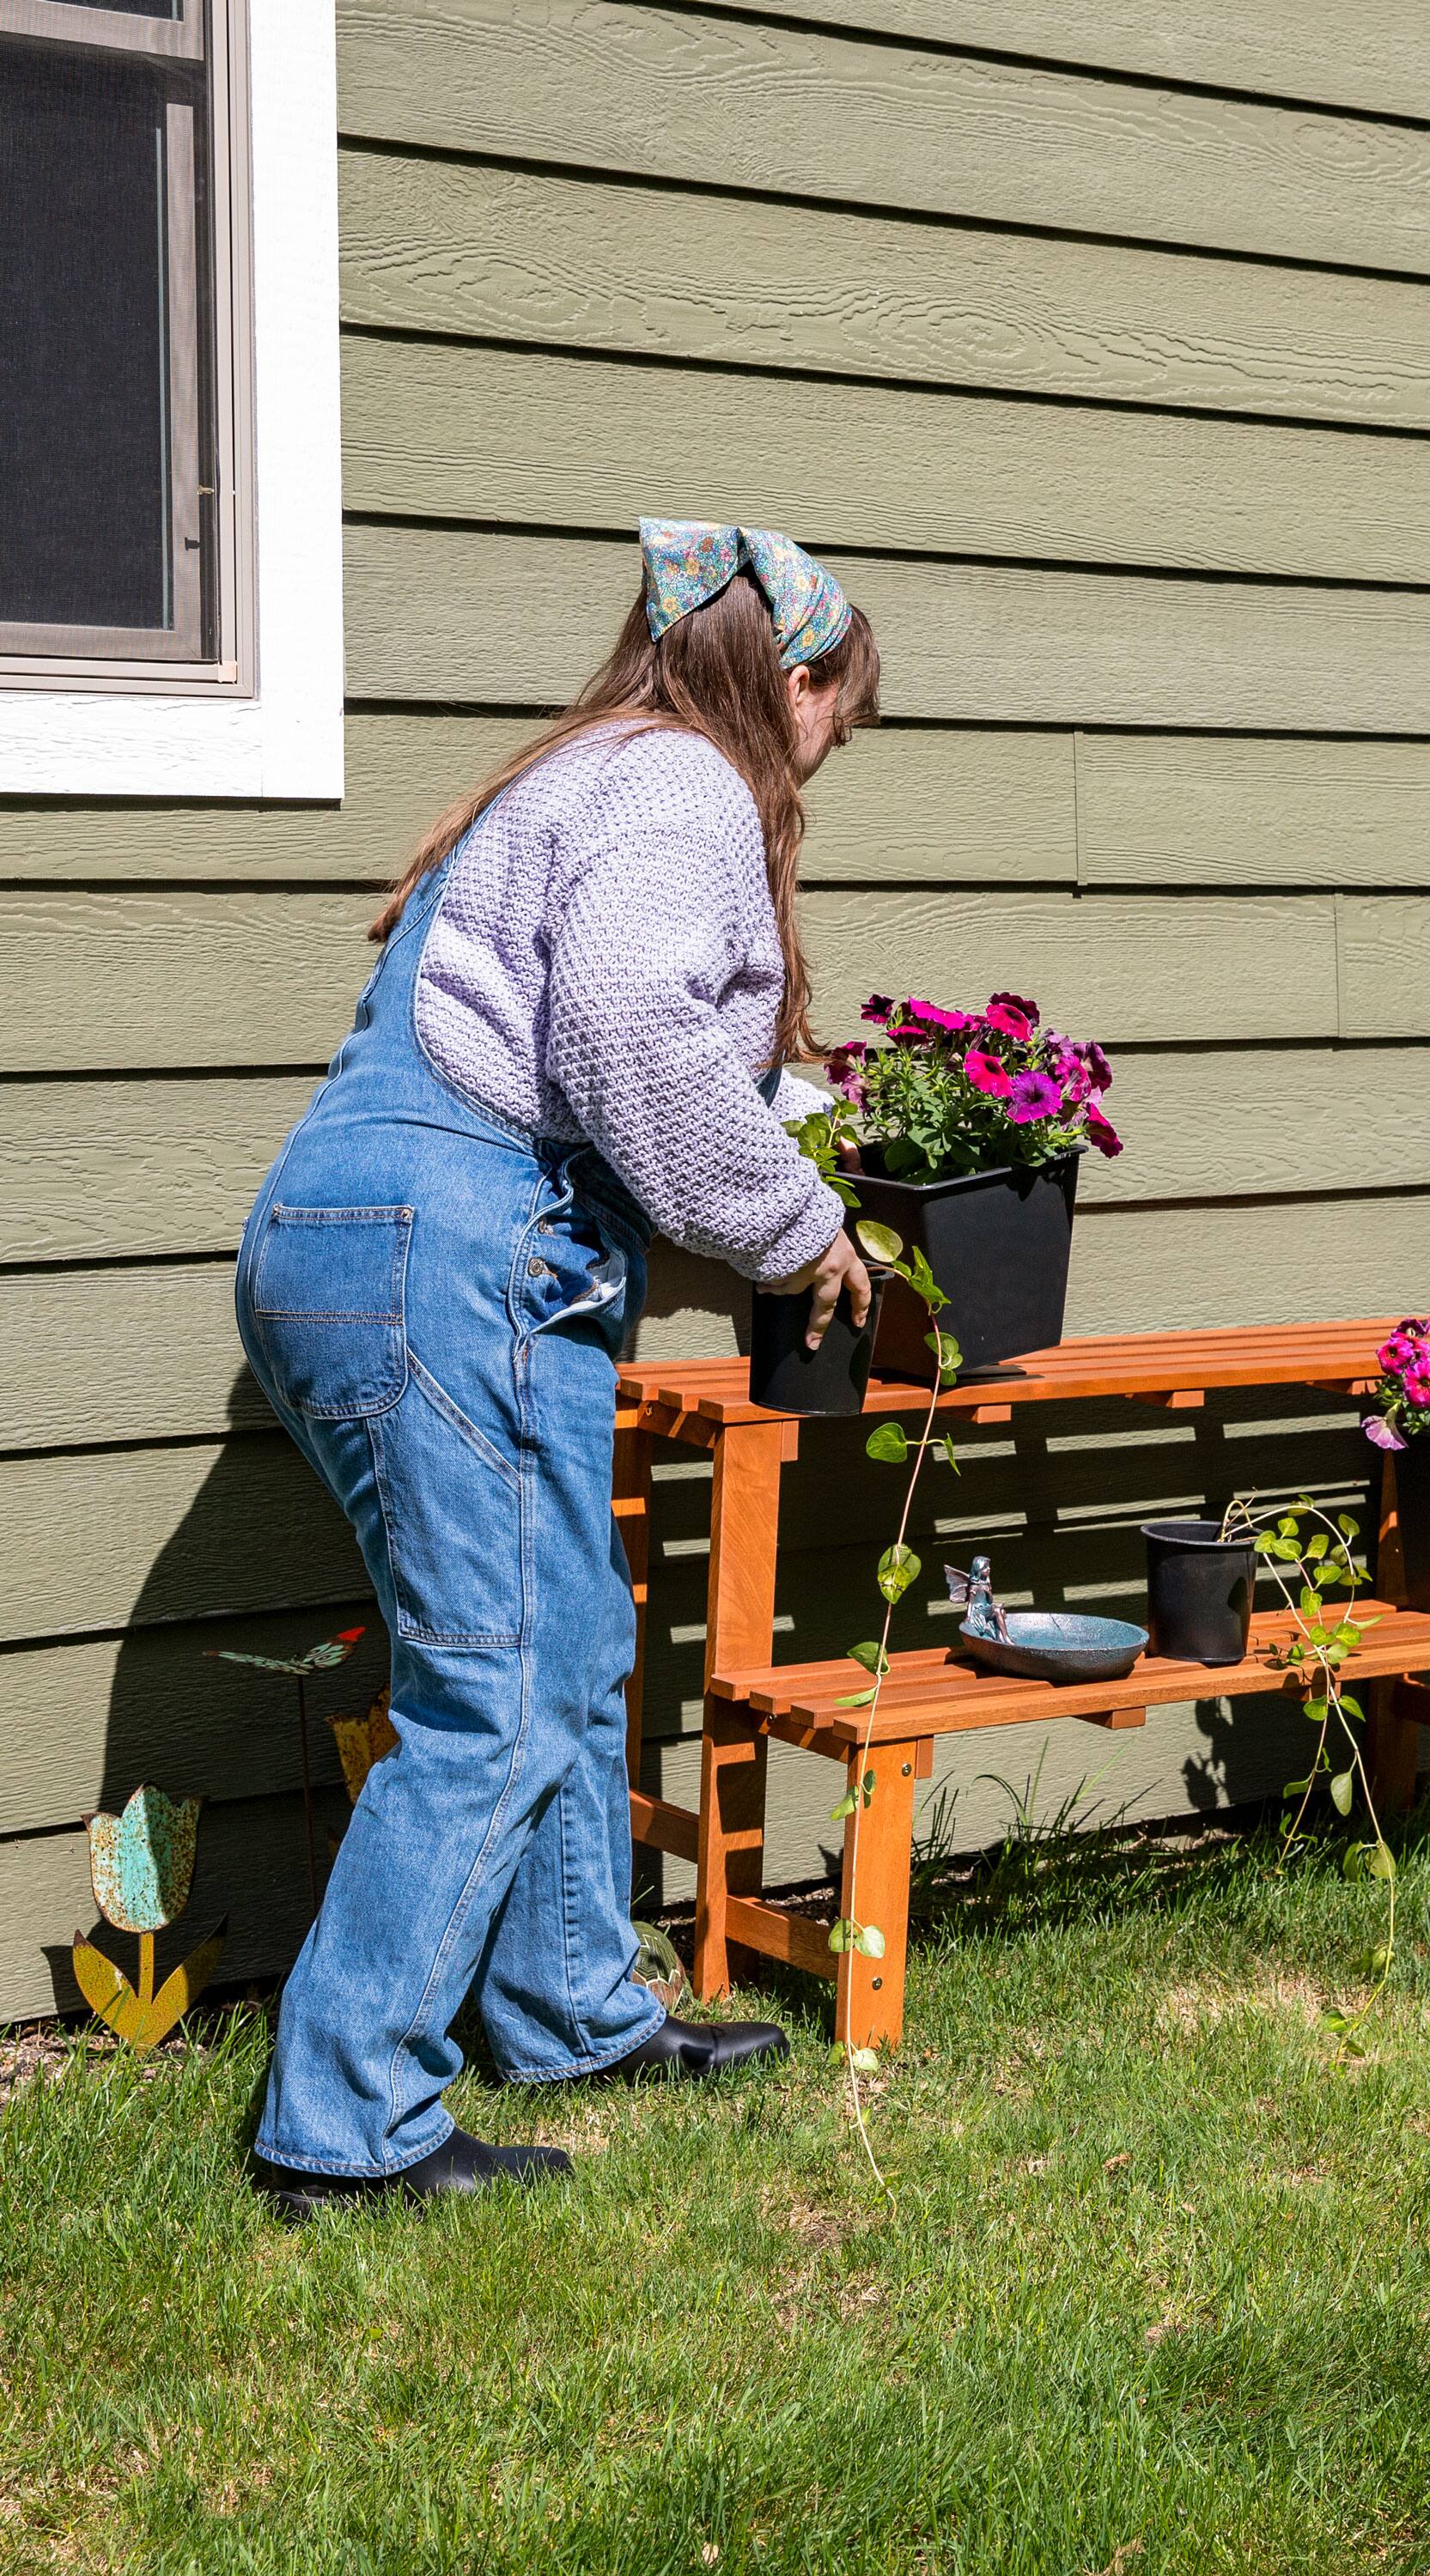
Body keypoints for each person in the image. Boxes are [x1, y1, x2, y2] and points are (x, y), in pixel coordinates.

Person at [234, 520, 880, 2217]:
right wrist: (798, 1225)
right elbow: (629, 1020)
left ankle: (570, 2006)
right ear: (794, 681)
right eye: (842, 709)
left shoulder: (582, 771)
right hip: (459, 1244)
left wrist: (823, 1123)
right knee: (499, 1690)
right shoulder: (682, 781)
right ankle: (343, 2126)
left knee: (565, 1638)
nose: (834, 749)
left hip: (358, 1229)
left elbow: (621, 1018)